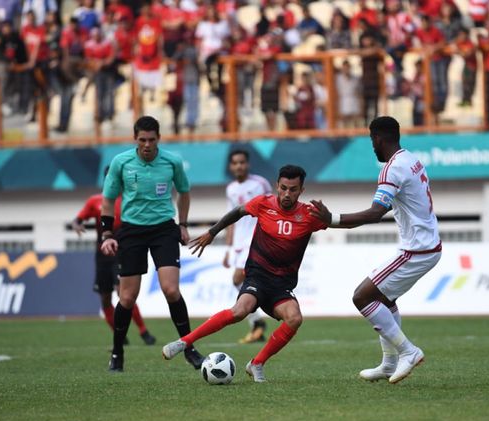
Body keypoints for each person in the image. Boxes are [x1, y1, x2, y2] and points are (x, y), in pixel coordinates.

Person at [161, 165, 328, 382]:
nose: (287, 193)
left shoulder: (309, 214)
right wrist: (212, 232)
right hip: (257, 276)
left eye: (293, 189)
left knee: (295, 318)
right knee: (240, 310)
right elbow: (237, 212)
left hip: (282, 285)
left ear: (301, 190)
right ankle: (184, 342)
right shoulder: (263, 203)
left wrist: (375, 211)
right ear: (277, 185)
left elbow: (342, 222)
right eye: (284, 188)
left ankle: (256, 364)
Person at [308, 116, 442, 384]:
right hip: (427, 245)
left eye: (372, 140)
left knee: (362, 297)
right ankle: (389, 364)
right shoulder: (411, 159)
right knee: (383, 299)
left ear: (378, 138)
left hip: (417, 250)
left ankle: (408, 352)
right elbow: (396, 203)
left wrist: (331, 219)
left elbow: (375, 213)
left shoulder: (391, 169)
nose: (372, 146)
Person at [100, 115, 204, 372]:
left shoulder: (172, 161)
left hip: (163, 230)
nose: (147, 144)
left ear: (159, 139)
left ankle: (189, 348)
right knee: (127, 297)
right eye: (142, 140)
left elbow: (184, 192)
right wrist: (106, 235)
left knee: (171, 290)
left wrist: (183, 224)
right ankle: (117, 352)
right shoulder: (121, 162)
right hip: (132, 231)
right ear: (135, 139)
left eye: (152, 140)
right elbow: (108, 199)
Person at [72, 169, 155, 346]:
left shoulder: (129, 200)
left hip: (122, 252)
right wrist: (76, 225)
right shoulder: (95, 201)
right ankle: (119, 336)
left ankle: (143, 331)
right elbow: (77, 219)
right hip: (102, 255)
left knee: (123, 294)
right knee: (104, 298)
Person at [222, 149, 272, 343]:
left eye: (242, 162)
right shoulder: (231, 189)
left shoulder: (260, 183)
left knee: (238, 279)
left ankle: (257, 321)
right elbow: (231, 219)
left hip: (255, 241)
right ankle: (257, 324)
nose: (239, 166)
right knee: (240, 282)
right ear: (230, 166)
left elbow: (271, 209)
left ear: (248, 164)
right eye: (235, 163)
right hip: (239, 244)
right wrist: (227, 250)